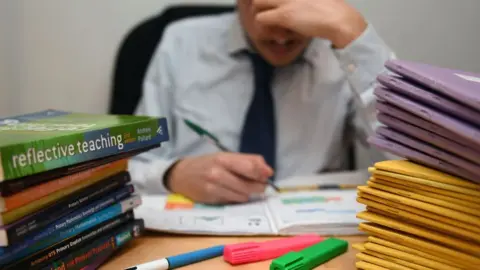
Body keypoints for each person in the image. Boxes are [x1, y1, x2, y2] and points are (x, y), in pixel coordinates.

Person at [129, 0, 395, 204]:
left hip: (315, 232)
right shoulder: (181, 44)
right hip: (200, 227)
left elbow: (416, 164)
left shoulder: (346, 55)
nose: (281, 37)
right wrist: (172, 175)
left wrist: (356, 38)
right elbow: (128, 170)